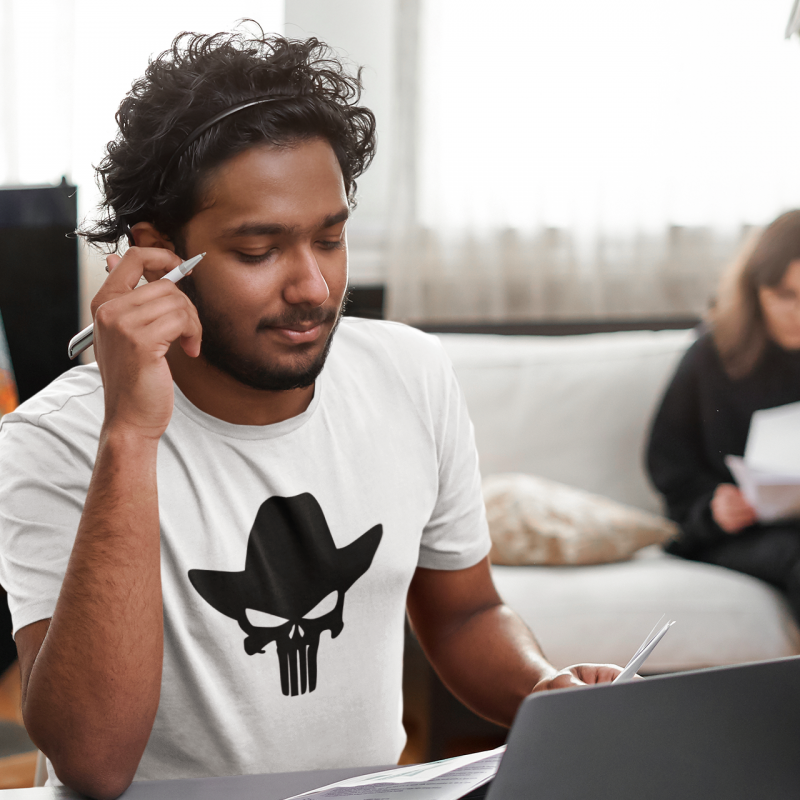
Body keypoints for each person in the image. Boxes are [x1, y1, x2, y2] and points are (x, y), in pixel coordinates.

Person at [0, 29, 620, 799]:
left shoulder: (410, 373)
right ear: (159, 256)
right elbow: (94, 761)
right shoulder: (53, 440)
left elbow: (464, 617)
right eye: (260, 251)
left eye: (330, 238)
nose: (314, 288)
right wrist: (130, 433)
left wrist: (543, 692)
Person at [647, 209, 800, 626]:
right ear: (756, 290)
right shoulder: (711, 357)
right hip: (729, 532)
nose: (798, 313)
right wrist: (714, 507)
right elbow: (669, 468)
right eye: (785, 295)